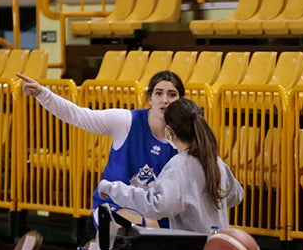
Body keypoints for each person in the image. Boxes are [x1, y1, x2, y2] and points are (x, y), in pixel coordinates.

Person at [15, 68, 185, 227]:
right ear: (149, 98)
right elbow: (78, 116)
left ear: (180, 101)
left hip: (155, 211)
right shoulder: (125, 121)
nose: (165, 100)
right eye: (158, 93)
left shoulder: (184, 137)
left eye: (172, 95)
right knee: (138, 235)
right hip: (113, 205)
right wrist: (42, 94)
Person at [97, 98, 244, 233]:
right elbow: (236, 195)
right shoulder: (215, 161)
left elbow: (155, 206)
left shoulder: (179, 166)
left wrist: (111, 188)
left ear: (169, 131)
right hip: (219, 246)